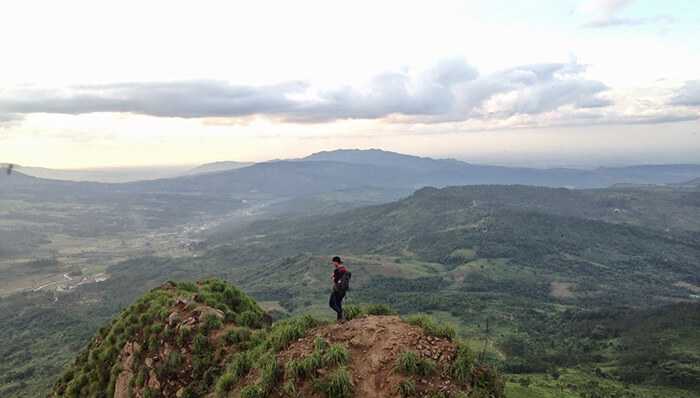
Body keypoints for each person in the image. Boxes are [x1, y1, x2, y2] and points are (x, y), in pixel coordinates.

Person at [328, 256, 349, 323]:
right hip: (343, 290)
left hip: (337, 290)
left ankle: (341, 313)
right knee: (338, 303)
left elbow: (335, 280)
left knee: (331, 303)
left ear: (336, 262)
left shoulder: (337, 270)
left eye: (333, 262)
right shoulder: (344, 269)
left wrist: (333, 277)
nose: (333, 264)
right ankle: (339, 320)